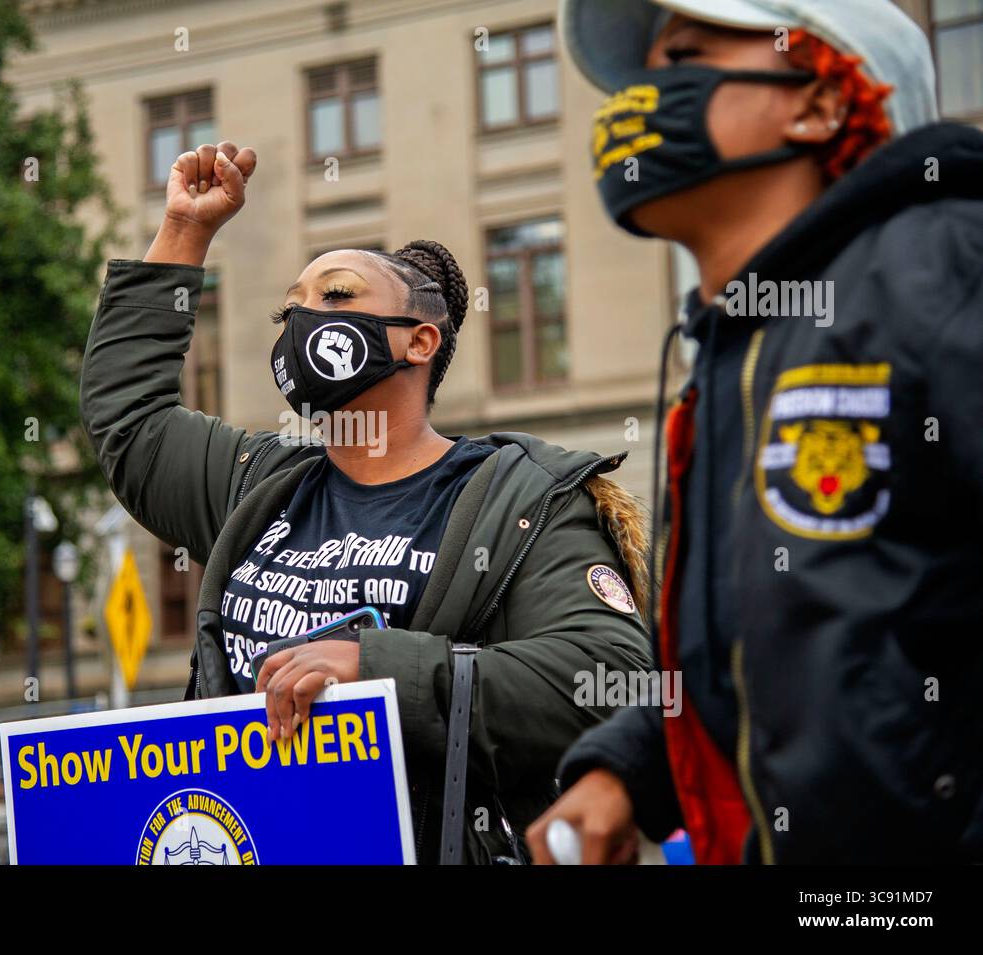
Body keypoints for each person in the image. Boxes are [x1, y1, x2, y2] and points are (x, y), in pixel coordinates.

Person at [80, 140, 654, 863]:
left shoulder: (525, 501)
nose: (303, 320)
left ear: (419, 342)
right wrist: (186, 233)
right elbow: (131, 423)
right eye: (290, 309)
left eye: (337, 297)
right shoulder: (257, 484)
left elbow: (608, 680)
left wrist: (380, 666)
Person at [528, 0, 983, 864]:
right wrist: (631, 767)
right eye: (640, 74)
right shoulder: (729, 362)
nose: (640, 98)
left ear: (818, 100)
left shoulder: (948, 262)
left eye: (685, 57)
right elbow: (775, 652)